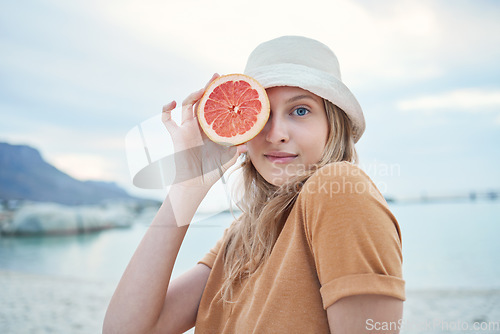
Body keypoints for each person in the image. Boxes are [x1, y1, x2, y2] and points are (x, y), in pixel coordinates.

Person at [103, 36, 405, 334]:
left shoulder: (341, 188)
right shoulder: (243, 235)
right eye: (262, 115)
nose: (275, 134)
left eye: (300, 110)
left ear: (333, 126)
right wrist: (188, 186)